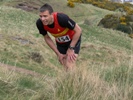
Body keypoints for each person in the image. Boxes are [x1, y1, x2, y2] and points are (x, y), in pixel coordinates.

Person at [36, 3, 82, 70]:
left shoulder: (61, 18)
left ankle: (78, 79)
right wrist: (58, 53)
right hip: (61, 43)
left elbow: (78, 30)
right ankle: (73, 79)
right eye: (41, 16)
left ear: (51, 14)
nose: (42, 19)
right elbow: (46, 37)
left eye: (45, 16)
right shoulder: (39, 23)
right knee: (64, 65)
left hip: (73, 40)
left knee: (69, 64)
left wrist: (71, 48)